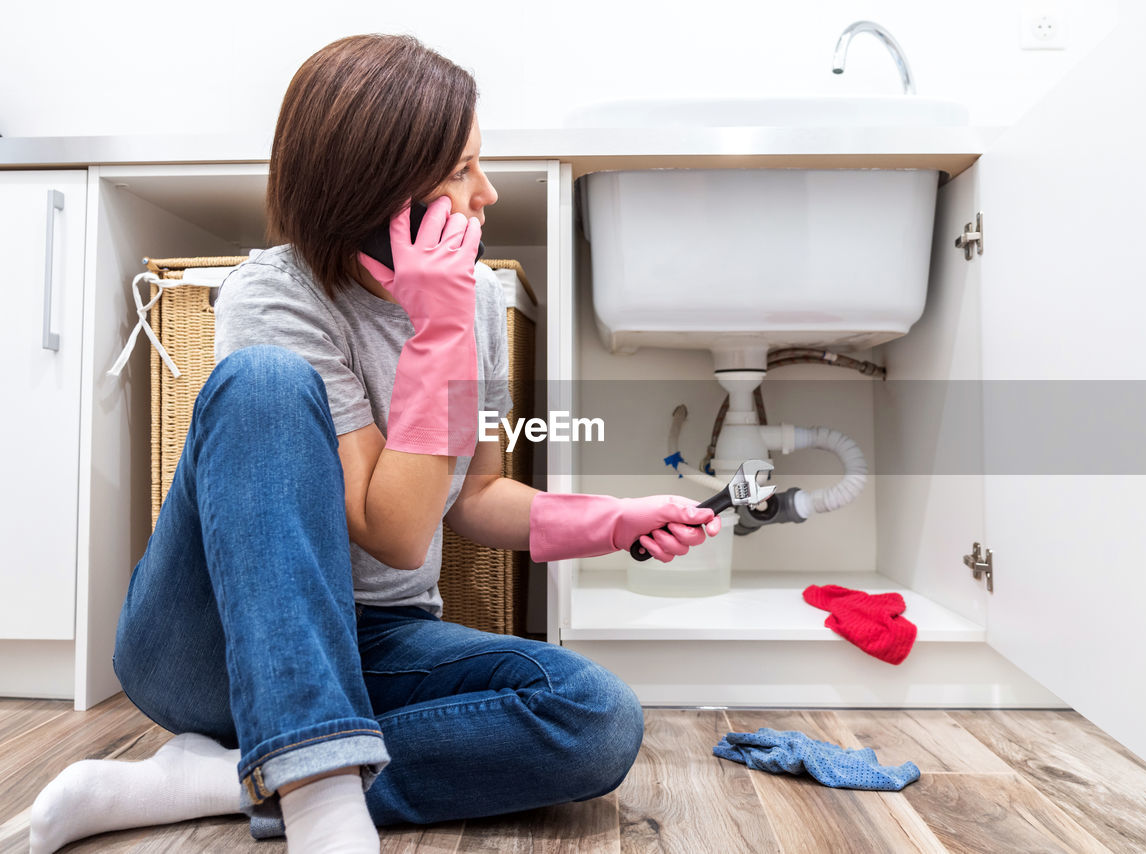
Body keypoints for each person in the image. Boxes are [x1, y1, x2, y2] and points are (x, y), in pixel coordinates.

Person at [28, 33, 721, 853]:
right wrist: (434, 338)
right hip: (211, 640)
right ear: (383, 186)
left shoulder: (477, 302)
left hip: (374, 642)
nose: (487, 193)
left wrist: (614, 519)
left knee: (595, 717)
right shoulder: (275, 295)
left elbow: (477, 497)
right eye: (462, 170)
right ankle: (320, 801)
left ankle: (226, 777)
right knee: (263, 385)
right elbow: (392, 531)